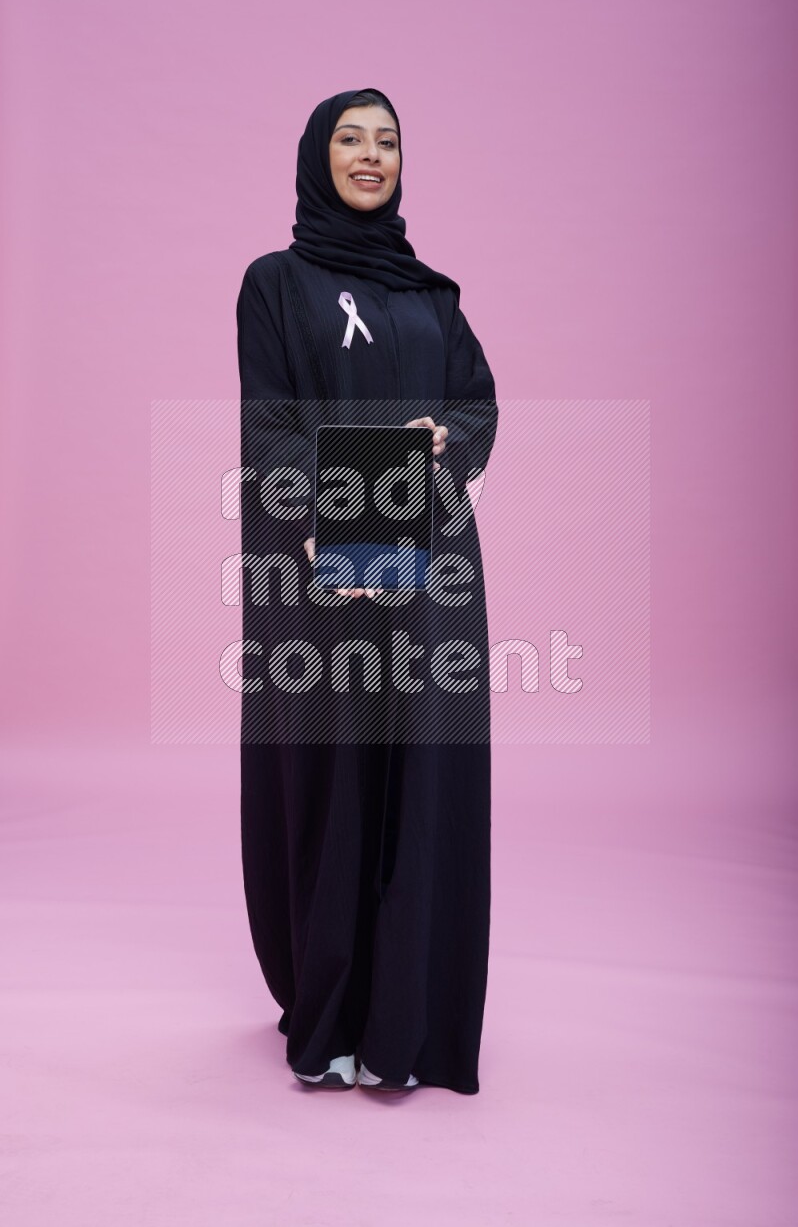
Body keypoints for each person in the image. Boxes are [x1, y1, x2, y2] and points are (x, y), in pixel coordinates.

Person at [237, 87, 498, 1095]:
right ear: (316, 155)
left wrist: (443, 441)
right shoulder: (276, 283)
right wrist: (353, 499)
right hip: (328, 562)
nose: (369, 153)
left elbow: (475, 404)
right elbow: (267, 430)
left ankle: (407, 1024)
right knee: (343, 769)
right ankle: (335, 1008)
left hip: (430, 563)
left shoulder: (432, 297)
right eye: (349, 136)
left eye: (386, 140)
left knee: (420, 773)